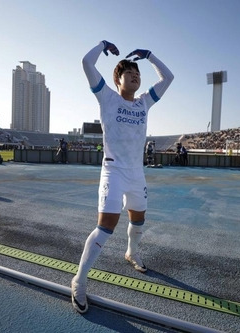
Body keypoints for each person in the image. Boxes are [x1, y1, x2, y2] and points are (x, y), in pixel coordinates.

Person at [71, 40, 174, 314]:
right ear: (118, 79)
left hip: (136, 173)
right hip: (114, 170)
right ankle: (79, 282)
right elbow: (86, 63)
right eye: (129, 72)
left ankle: (132, 252)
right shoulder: (107, 97)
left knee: (138, 220)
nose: (135, 76)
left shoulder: (144, 103)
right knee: (106, 226)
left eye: (137, 73)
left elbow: (169, 77)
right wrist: (102, 45)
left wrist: (150, 55)